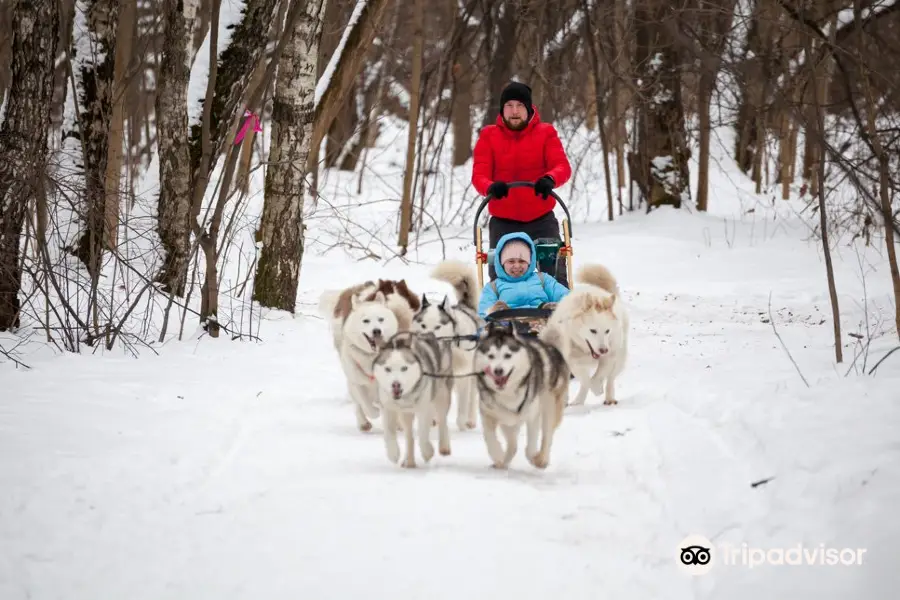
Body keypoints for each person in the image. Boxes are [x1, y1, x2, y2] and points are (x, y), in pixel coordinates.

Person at [472, 81, 573, 287]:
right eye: (509, 106)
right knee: (502, 278)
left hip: (541, 220)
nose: (515, 111)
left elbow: (561, 166)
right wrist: (490, 186)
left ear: (529, 109)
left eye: (519, 105)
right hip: (503, 221)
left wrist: (550, 179)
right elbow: (479, 174)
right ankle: (503, 314)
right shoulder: (489, 136)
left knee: (554, 276)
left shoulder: (546, 133)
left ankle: (558, 311)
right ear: (502, 110)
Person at [477, 232, 570, 318]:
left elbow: (566, 296)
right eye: (511, 261)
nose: (517, 266)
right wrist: (492, 311)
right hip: (508, 325)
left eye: (522, 261)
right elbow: (482, 313)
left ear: (529, 262)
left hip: (543, 322)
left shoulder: (542, 279)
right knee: (498, 311)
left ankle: (547, 309)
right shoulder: (493, 287)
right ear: (501, 263)